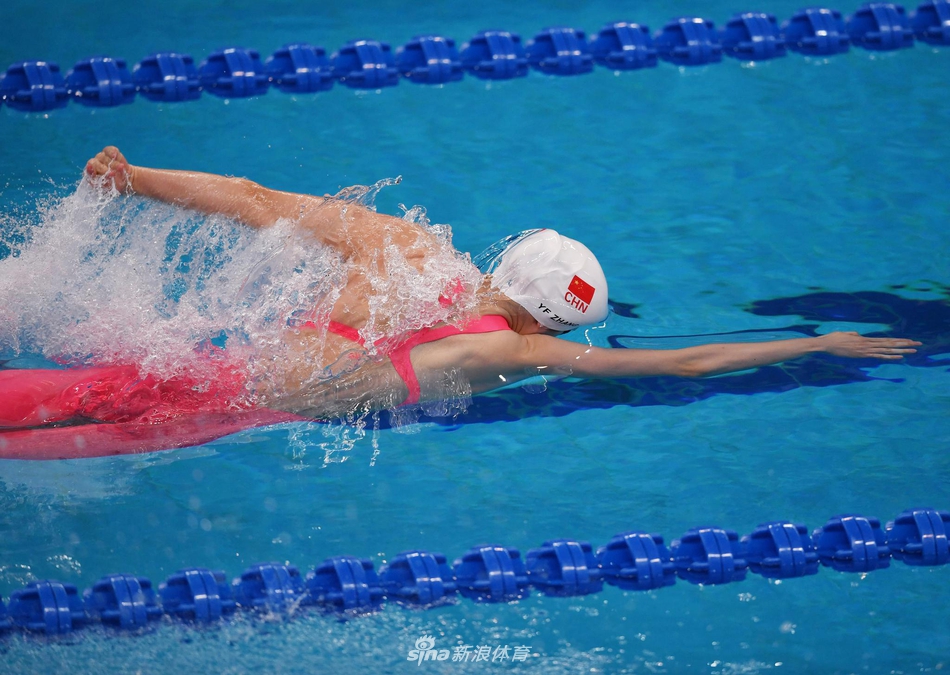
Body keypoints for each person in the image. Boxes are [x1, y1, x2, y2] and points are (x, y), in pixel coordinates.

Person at [74, 146, 923, 421]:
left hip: (212, 367)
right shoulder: (512, 351)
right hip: (226, 413)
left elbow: (256, 199)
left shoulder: (408, 248)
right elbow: (689, 363)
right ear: (551, 323)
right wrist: (821, 342)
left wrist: (133, 179)